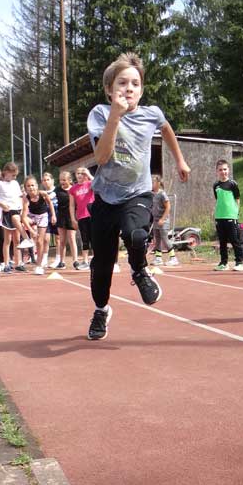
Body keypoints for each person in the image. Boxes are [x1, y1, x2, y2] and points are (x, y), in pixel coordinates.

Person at [85, 51, 190, 341]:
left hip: (137, 193)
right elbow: (102, 156)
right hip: (106, 198)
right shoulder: (100, 114)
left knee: (135, 234)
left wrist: (179, 160)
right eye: (121, 83)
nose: (128, 89)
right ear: (109, 89)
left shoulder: (151, 114)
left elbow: (166, 129)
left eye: (134, 84)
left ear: (141, 90)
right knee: (102, 265)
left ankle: (141, 270)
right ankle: (101, 309)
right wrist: (115, 118)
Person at [0, 161, 28, 273]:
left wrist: (24, 197)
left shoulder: (15, 183)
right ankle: (6, 264)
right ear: (6, 172)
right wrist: (1, 204)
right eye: (13, 174)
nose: (15, 177)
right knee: (8, 239)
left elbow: (20, 195)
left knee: (17, 239)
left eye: (16, 175)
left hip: (17, 210)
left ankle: (18, 263)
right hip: (7, 212)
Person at [214, 159, 243, 272]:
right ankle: (223, 263)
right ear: (217, 171)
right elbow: (218, 200)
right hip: (219, 217)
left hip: (231, 216)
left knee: (234, 240)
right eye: (220, 170)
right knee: (222, 242)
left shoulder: (233, 184)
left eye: (225, 169)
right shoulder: (216, 185)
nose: (223, 172)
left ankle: (239, 262)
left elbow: (237, 199)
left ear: (228, 170)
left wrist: (235, 213)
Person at [22, 176, 54, 274]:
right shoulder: (26, 198)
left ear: (36, 186)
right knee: (19, 218)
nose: (31, 188)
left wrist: (53, 215)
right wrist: (31, 230)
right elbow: (23, 217)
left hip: (43, 216)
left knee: (40, 241)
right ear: (26, 188)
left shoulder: (43, 194)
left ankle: (39, 266)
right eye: (28, 186)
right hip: (32, 216)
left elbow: (50, 203)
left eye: (32, 185)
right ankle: (27, 238)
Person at [54, 170, 81, 270]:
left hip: (71, 216)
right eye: (61, 180)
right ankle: (62, 261)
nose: (62, 182)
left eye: (64, 180)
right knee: (62, 240)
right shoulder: (57, 190)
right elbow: (51, 198)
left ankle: (75, 261)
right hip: (61, 217)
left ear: (69, 180)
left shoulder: (74, 189)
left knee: (72, 239)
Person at [150, 175, 178, 267]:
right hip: (156, 220)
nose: (151, 184)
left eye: (153, 182)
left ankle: (173, 258)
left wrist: (162, 219)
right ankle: (158, 258)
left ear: (158, 183)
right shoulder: (151, 194)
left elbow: (168, 207)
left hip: (163, 221)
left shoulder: (162, 194)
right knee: (157, 239)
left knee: (165, 239)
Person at [70, 167, 95, 268]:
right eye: (78, 173)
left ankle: (96, 260)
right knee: (84, 239)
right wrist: (73, 219)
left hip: (92, 215)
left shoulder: (90, 184)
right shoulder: (73, 189)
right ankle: (85, 261)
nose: (80, 175)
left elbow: (98, 183)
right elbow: (71, 205)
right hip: (81, 217)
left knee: (94, 238)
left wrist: (88, 174)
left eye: (82, 173)